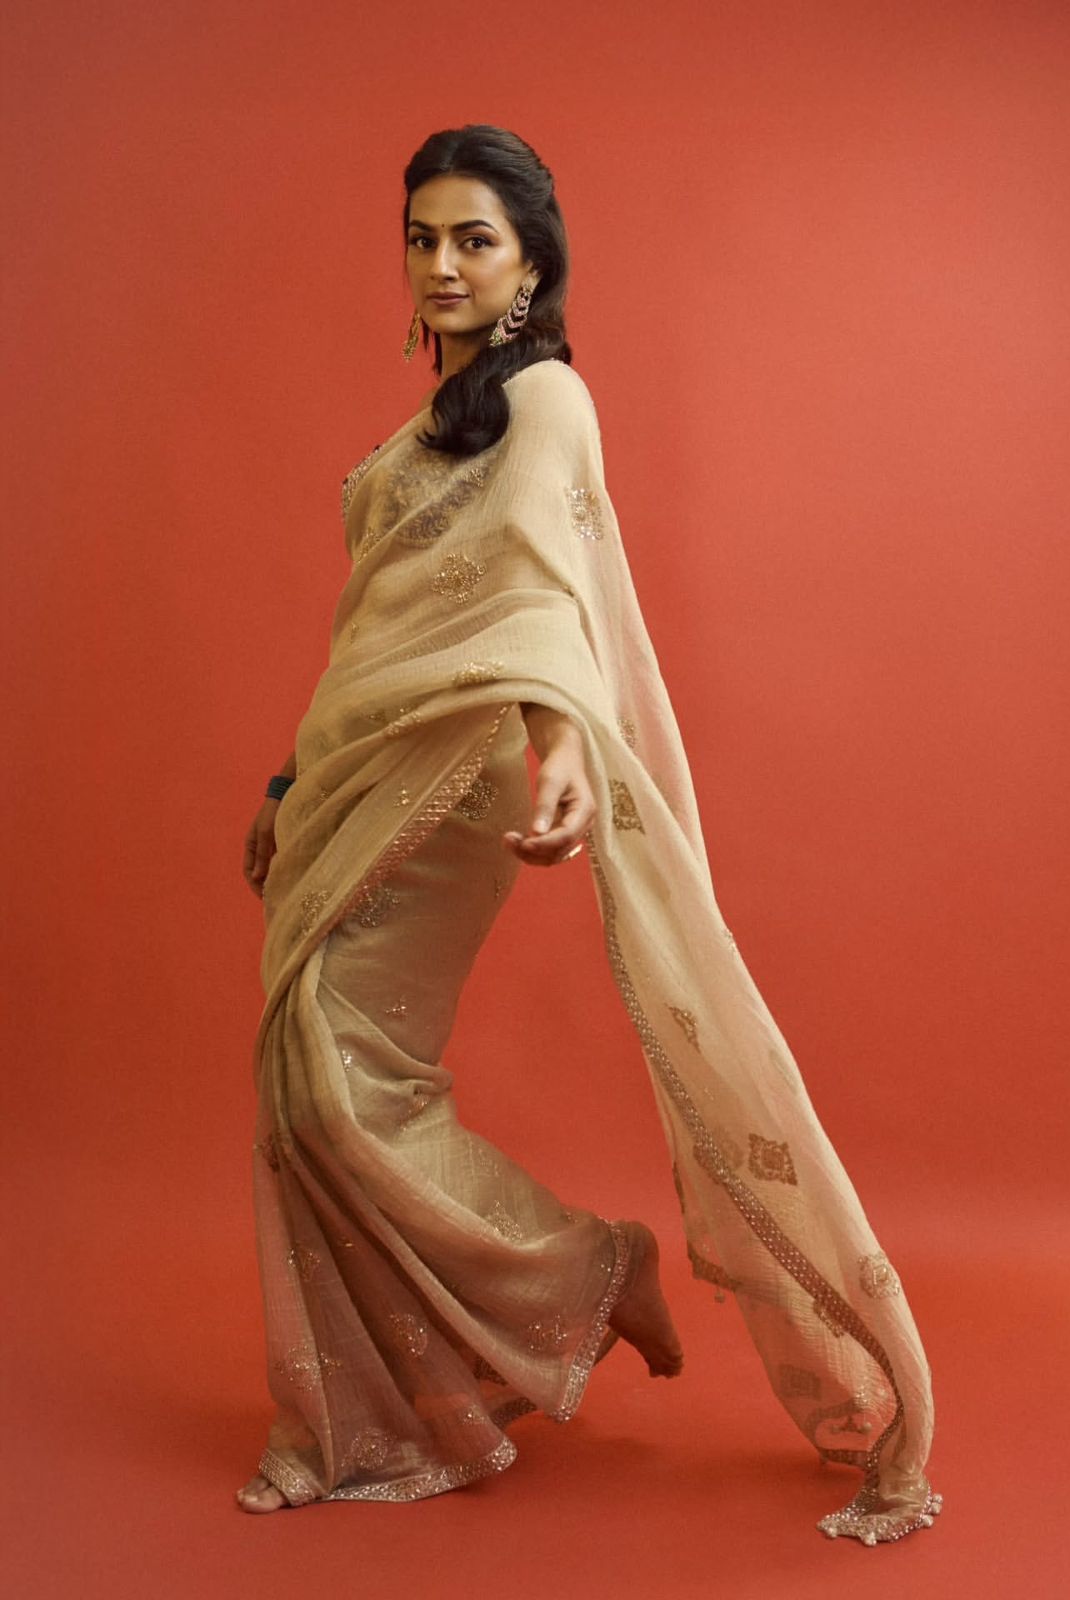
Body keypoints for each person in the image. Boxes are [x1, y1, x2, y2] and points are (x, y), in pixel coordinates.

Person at [235, 125, 942, 1546]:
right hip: (359, 765)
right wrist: (290, 780)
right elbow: (380, 626)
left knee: (339, 1072)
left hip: (472, 760)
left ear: (531, 264)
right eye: (423, 238)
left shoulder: (546, 396)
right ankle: (378, 1405)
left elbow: (547, 596)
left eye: (474, 239)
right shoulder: (438, 419)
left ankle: (574, 1275)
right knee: (309, 1077)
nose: (442, 264)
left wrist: (562, 742)